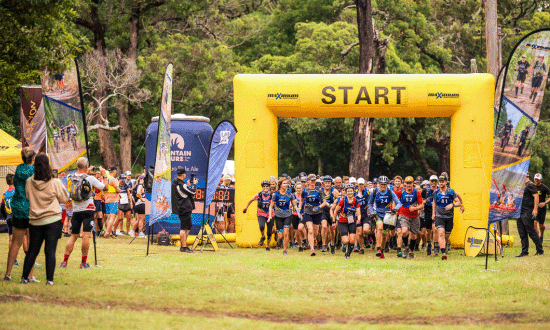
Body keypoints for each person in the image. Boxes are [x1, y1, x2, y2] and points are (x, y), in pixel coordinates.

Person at [22, 154, 69, 285]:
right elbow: (64, 198)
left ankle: (24, 277)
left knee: (32, 250)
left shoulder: (29, 182)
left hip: (35, 220)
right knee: (50, 251)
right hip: (52, 220)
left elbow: (27, 196)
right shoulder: (55, 182)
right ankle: (49, 280)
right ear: (48, 166)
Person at [60, 157, 106, 269]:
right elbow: (105, 186)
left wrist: (87, 172)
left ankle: (64, 262)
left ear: (77, 166)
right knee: (86, 235)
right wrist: (104, 175)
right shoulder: (90, 178)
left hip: (76, 209)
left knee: (73, 236)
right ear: (86, 166)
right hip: (88, 208)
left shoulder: (70, 177)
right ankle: (83, 263)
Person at [4, 147, 36, 282]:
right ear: (33, 158)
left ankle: (8, 273)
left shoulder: (18, 169)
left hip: (17, 207)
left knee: (16, 243)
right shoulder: (34, 171)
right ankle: (29, 275)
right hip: (30, 207)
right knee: (31, 242)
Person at [368, 176, 402, 259]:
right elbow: (370, 203)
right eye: (381, 184)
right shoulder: (374, 191)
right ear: (378, 184)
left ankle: (382, 250)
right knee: (379, 228)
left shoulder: (390, 191)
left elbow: (399, 203)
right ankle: (378, 249)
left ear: (387, 184)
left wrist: (395, 209)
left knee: (384, 235)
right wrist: (372, 212)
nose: (383, 186)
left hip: (387, 215)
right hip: (378, 214)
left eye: (385, 184)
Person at [432, 175, 461, 260]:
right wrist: (433, 214)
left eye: (442, 181)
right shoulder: (436, 192)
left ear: (445, 182)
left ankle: (445, 245)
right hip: (439, 216)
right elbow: (434, 204)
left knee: (446, 236)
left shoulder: (451, 192)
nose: (441, 183)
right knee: (440, 233)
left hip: (449, 216)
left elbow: (458, 202)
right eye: (439, 182)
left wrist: (452, 204)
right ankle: (443, 253)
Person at [395, 176, 424, 259]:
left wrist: (415, 208)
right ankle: (406, 248)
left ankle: (411, 251)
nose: (408, 185)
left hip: (414, 216)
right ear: (405, 184)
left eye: (410, 183)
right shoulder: (402, 192)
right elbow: (395, 200)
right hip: (403, 215)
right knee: (404, 232)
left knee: (414, 236)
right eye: (407, 183)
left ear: (413, 183)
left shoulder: (417, 192)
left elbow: (421, 205)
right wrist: (395, 209)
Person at [516, 173, 544, 257]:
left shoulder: (530, 185)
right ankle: (524, 252)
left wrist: (535, 209)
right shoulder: (521, 185)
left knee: (531, 231)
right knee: (522, 233)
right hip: (519, 212)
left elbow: (536, 197)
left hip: (528, 211)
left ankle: (540, 251)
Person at [268, 178, 298, 255]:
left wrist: (294, 206)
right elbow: (271, 206)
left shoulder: (289, 194)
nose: (285, 185)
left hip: (288, 215)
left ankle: (285, 250)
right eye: (284, 183)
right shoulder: (276, 194)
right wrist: (270, 216)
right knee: (280, 236)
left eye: (286, 183)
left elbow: (294, 205)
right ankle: (279, 240)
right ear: (280, 184)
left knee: (286, 232)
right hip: (278, 216)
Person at [171, 168, 197, 253]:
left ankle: (184, 245)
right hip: (184, 208)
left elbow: (184, 193)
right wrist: (194, 184)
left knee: (188, 226)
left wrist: (188, 185)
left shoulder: (175, 182)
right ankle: (184, 246)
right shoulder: (181, 184)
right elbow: (192, 192)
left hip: (182, 207)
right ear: (183, 175)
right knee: (184, 227)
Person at [302, 174, 328, 256]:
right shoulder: (305, 190)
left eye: (314, 180)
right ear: (308, 181)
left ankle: (314, 240)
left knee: (315, 232)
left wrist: (318, 207)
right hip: (308, 212)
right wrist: (300, 208)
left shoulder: (319, 191)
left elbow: (324, 203)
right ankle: (312, 249)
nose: (312, 182)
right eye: (311, 180)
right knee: (310, 230)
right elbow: (302, 199)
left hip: (317, 213)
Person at [243, 180, 274, 249]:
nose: (265, 187)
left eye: (267, 186)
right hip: (261, 213)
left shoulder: (272, 195)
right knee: (261, 226)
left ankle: (267, 245)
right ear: (262, 187)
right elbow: (251, 200)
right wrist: (246, 207)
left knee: (269, 231)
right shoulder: (259, 195)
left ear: (269, 187)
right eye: (264, 186)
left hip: (270, 214)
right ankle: (263, 237)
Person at [333, 184, 361, 259]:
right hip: (342, 221)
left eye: (351, 191)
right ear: (345, 192)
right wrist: (334, 220)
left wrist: (358, 220)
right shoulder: (343, 201)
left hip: (352, 221)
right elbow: (335, 210)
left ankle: (348, 254)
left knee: (352, 240)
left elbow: (358, 213)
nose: (350, 193)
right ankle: (343, 245)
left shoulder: (356, 201)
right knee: (346, 241)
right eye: (348, 191)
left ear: (353, 192)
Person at [1, 174, 19, 266]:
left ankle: (13, 260)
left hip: (9, 217)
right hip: (17, 217)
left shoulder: (4, 194)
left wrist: (6, 216)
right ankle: (30, 258)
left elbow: (2, 206)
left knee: (11, 240)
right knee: (24, 238)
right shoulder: (17, 191)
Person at [421, 175, 439, 255]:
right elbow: (420, 201)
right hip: (427, 211)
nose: (434, 183)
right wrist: (425, 201)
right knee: (428, 231)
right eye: (432, 181)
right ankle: (429, 244)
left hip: (437, 211)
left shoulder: (440, 190)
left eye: (435, 181)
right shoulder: (425, 191)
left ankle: (435, 246)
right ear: (429, 182)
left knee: (435, 229)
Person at [321, 176, 338, 253]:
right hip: (323, 211)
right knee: (324, 226)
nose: (327, 184)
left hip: (332, 212)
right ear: (323, 183)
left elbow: (340, 200)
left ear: (331, 183)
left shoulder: (334, 191)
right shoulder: (320, 191)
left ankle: (332, 244)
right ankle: (324, 244)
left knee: (332, 230)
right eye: (326, 182)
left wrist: (333, 204)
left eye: (329, 182)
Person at [103, 166, 120, 238]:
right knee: (112, 217)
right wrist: (119, 190)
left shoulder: (105, 179)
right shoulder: (113, 179)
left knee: (108, 217)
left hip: (107, 199)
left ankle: (109, 233)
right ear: (114, 171)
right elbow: (118, 190)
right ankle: (107, 232)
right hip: (113, 200)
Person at [355, 178, 371, 254]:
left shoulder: (368, 191)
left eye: (362, 184)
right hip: (358, 214)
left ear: (364, 184)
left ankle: (366, 237)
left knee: (366, 230)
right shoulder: (354, 192)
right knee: (359, 232)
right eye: (359, 184)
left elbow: (371, 201)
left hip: (365, 213)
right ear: (357, 184)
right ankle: (361, 248)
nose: (361, 186)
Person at [533, 173, 550, 241]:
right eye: (536, 179)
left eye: (538, 179)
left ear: (541, 180)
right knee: (534, 223)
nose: (536, 180)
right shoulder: (532, 187)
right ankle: (537, 240)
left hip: (542, 209)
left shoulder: (544, 187)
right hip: (535, 208)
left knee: (541, 225)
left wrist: (545, 202)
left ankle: (541, 235)